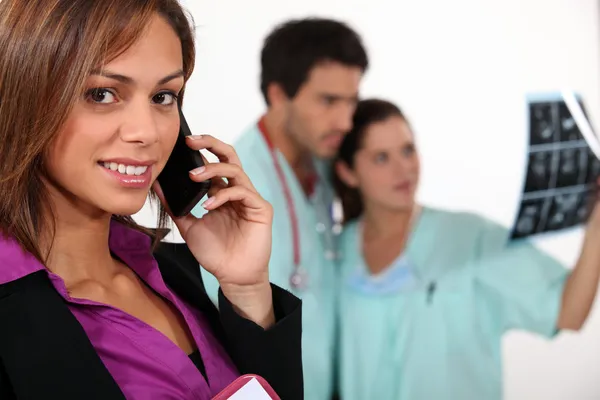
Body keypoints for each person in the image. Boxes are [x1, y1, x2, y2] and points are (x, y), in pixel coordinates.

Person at [0, 1, 303, 399]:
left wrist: (247, 290)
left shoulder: (175, 274)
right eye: (102, 93)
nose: (147, 132)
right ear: (22, 97)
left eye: (163, 96)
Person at [333, 98, 600, 400]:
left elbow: (567, 312)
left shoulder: (470, 238)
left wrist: (596, 230)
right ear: (347, 172)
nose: (403, 168)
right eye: (381, 158)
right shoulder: (336, 254)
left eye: (408, 150)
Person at [191, 17, 368, 400]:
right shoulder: (235, 189)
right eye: (328, 101)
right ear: (277, 95)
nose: (346, 120)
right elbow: (231, 336)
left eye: (351, 101)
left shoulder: (323, 164)